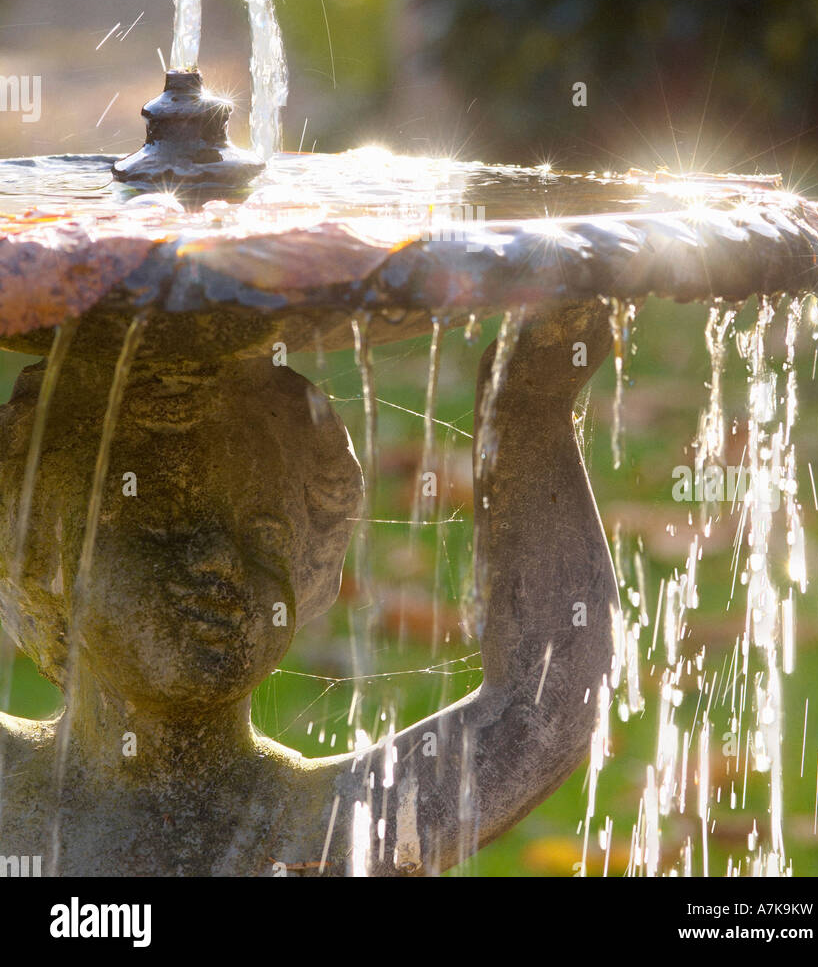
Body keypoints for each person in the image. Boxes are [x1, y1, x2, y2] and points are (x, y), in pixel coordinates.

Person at [0, 303, 617, 876]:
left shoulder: (315, 828)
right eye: (160, 525)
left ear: (311, 568)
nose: (218, 558)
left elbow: (544, 702)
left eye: (264, 533)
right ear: (36, 552)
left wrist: (527, 404)